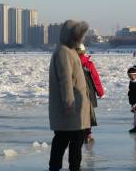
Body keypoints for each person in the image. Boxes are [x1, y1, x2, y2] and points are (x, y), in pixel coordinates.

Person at [48, 20, 91, 171]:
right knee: (65, 140)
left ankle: (68, 167)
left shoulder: (70, 50)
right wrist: (69, 104)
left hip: (74, 108)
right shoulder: (63, 52)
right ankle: (67, 168)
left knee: (69, 141)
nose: (80, 39)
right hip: (70, 109)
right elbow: (65, 81)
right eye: (77, 35)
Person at [77, 44, 104, 143]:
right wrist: (100, 92)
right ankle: (88, 134)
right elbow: (95, 78)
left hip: (74, 92)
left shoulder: (69, 64)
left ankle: (77, 134)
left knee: (76, 114)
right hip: (87, 93)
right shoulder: (88, 64)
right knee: (88, 114)